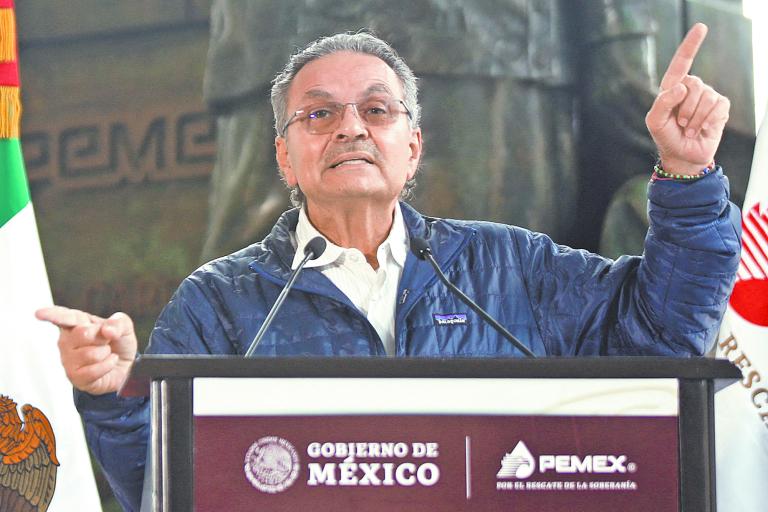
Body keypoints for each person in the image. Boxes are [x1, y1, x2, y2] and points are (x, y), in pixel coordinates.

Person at [37, 25, 739, 511]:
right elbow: (159, 489)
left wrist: (685, 173)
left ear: (412, 146)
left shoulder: (510, 268)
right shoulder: (220, 304)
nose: (349, 127)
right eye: (318, 115)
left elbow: (662, 341)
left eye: (376, 110)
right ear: (285, 156)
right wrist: (114, 392)